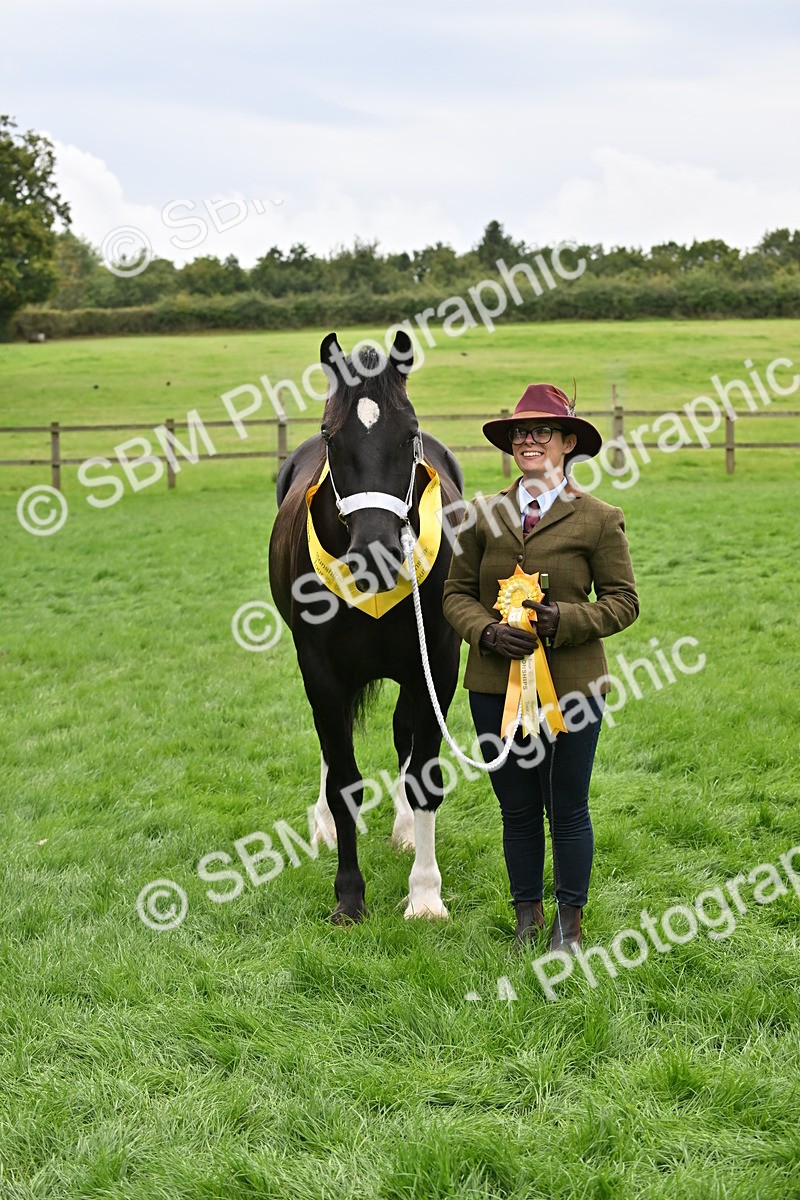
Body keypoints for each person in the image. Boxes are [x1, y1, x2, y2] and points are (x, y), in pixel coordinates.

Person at [442, 384, 639, 952]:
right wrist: (484, 631)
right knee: (517, 808)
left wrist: (565, 621)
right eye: (519, 433)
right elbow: (455, 593)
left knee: (568, 807)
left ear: (567, 443)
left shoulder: (600, 519)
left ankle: (568, 927)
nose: (529, 440)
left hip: (572, 689)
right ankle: (526, 917)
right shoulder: (479, 515)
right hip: (491, 688)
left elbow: (625, 602)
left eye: (541, 432)